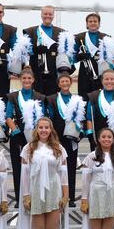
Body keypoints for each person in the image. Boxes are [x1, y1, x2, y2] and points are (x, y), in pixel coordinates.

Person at [17, 118, 70, 229]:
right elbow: (24, 175)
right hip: (35, 190)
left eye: (46, 127)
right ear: (36, 129)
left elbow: (64, 174)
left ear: (51, 129)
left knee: (53, 228)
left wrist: (66, 195)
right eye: (41, 127)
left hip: (54, 190)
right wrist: (26, 195)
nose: (44, 130)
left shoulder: (59, 148)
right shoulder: (28, 148)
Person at [5, 67, 46, 201]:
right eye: (24, 78)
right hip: (18, 136)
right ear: (20, 79)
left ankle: (36, 196)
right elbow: (8, 116)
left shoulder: (40, 97)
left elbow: (43, 116)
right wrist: (16, 130)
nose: (27, 80)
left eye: (29, 78)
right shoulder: (13, 96)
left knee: (37, 166)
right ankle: (19, 197)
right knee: (18, 168)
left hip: (36, 137)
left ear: (33, 80)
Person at [45, 73, 85, 207]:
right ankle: (56, 195)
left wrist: (80, 132)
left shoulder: (77, 99)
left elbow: (82, 119)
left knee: (71, 167)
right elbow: (49, 118)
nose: (65, 84)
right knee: (56, 167)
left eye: (67, 81)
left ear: (71, 82)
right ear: (58, 84)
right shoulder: (51, 99)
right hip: (56, 138)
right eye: (62, 81)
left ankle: (71, 197)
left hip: (71, 138)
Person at [25, 5, 72, 96]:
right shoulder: (31, 31)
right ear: (41, 15)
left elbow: (66, 53)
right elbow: (25, 52)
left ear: (53, 15)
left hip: (54, 73)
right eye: (45, 14)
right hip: (36, 73)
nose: (48, 16)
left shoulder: (61, 33)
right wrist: (35, 50)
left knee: (52, 100)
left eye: (50, 14)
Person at [85, 69, 114, 154]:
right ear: (102, 81)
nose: (109, 81)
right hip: (98, 139)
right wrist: (90, 135)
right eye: (106, 79)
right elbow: (89, 118)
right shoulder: (94, 96)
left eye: (112, 79)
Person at [74, 13, 112, 99]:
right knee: (84, 98)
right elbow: (73, 57)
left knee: (100, 98)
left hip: (101, 72)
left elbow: (111, 58)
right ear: (87, 24)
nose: (93, 23)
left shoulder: (106, 37)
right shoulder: (79, 37)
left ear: (99, 24)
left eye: (95, 21)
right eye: (90, 21)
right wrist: (79, 56)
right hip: (84, 71)